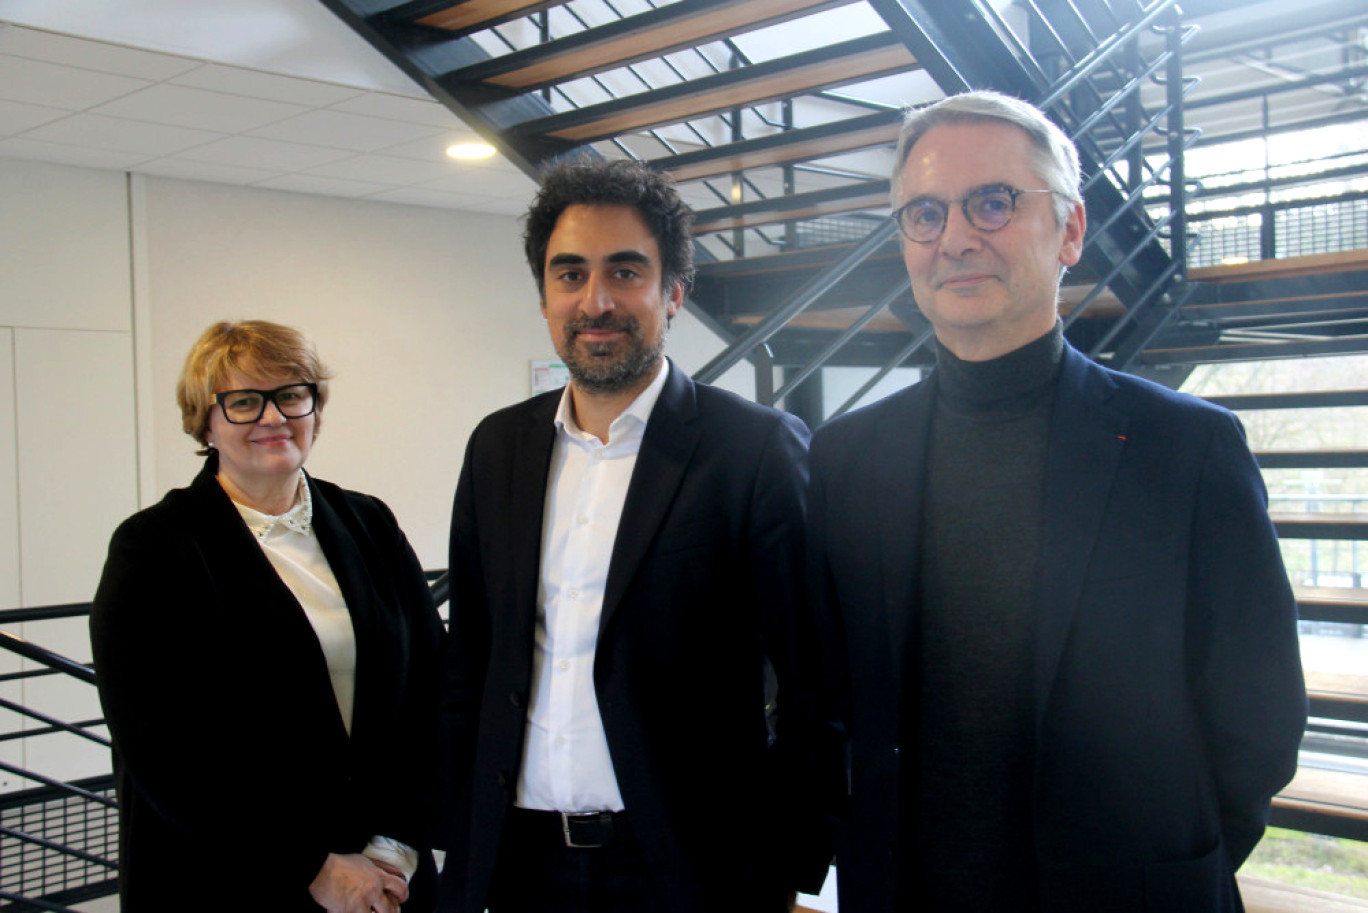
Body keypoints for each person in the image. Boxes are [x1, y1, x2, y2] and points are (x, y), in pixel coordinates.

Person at [807, 91, 1307, 912]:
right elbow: (825, 700)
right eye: (925, 213)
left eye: (994, 202)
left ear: (1070, 230)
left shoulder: (1187, 449)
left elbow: (1259, 714)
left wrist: (1168, 854)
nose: (957, 237)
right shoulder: (847, 457)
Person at [437, 159, 839, 913]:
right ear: (545, 296)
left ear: (673, 292)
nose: (596, 300)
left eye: (625, 271)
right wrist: (458, 842)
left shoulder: (753, 450)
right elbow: (472, 663)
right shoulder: (497, 448)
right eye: (570, 274)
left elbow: (819, 683)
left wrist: (784, 861)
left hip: (691, 870)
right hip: (518, 865)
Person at [91, 320, 445, 913]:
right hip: (232, 876)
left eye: (291, 395)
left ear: (315, 407)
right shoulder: (154, 547)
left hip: (386, 876)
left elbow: (432, 686)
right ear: (205, 420)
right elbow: (160, 749)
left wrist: (396, 845)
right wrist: (311, 866)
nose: (274, 417)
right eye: (244, 402)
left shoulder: (368, 522)